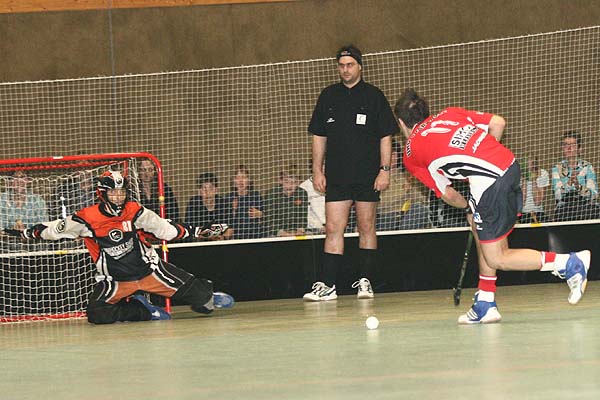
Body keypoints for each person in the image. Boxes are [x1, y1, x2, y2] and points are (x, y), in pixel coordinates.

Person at [394, 88, 591, 324]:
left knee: (499, 258)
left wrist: (468, 205)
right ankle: (485, 303)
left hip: (489, 183)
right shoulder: (450, 113)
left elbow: (448, 194)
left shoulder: (411, 153)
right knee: (481, 231)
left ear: (401, 123)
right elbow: (498, 122)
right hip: (509, 164)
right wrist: (485, 162)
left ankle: (570, 263)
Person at [5, 170, 233, 324]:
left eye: (121, 192)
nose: (118, 197)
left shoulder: (135, 210)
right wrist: (22, 233)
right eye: (113, 192)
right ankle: (143, 310)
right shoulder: (86, 218)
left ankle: (208, 293)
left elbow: (165, 229)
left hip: (150, 272)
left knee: (203, 302)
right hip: (115, 281)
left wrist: (199, 231)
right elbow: (53, 229)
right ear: (102, 193)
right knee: (97, 314)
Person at [303, 44, 400, 301]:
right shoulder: (328, 96)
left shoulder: (374, 96)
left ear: (360, 67)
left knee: (366, 226)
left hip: (368, 176)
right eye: (341, 65)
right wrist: (317, 170)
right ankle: (328, 285)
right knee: (333, 227)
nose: (345, 70)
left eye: (350, 65)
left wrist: (384, 171)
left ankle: (365, 282)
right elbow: (318, 136)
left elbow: (386, 136)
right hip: (337, 177)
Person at [376, 140, 431, 231]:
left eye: (394, 154)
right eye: (389, 154)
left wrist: (411, 190)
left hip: (406, 216)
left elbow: (422, 200)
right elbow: (380, 203)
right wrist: (403, 191)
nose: (392, 157)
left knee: (420, 209)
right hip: (385, 217)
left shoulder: (407, 175)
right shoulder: (376, 177)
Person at [551, 131, 599, 221]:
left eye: (573, 145)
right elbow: (557, 196)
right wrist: (569, 183)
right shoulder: (557, 168)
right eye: (565, 145)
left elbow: (594, 195)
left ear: (579, 149)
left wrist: (578, 186)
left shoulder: (588, 167)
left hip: (586, 209)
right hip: (565, 211)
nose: (569, 148)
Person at [264, 164, 309, 237]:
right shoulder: (271, 194)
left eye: (294, 182)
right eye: (286, 182)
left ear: (299, 182)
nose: (289, 186)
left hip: (295, 232)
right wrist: (281, 233)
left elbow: (302, 216)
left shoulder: (302, 193)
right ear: (280, 181)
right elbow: (269, 219)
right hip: (275, 233)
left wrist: (300, 229)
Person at [185, 172, 231, 240]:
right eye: (204, 189)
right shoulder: (193, 205)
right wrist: (209, 238)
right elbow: (189, 230)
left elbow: (230, 229)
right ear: (199, 191)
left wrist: (223, 237)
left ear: (216, 190)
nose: (207, 192)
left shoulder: (224, 204)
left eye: (211, 188)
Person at [224, 165, 265, 239]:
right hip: (236, 238)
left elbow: (267, 219)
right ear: (234, 181)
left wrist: (260, 214)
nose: (240, 181)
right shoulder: (228, 198)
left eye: (243, 177)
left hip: (255, 237)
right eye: (238, 177)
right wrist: (233, 210)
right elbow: (226, 223)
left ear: (249, 181)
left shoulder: (256, 196)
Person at [519, 155, 550, 223]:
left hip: (538, 212)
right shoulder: (518, 175)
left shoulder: (542, 173)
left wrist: (534, 180)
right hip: (522, 214)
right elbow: (521, 202)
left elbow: (537, 202)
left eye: (532, 162)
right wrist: (524, 180)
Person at [299, 160, 326, 234]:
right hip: (313, 230)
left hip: (333, 226)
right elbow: (304, 212)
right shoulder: (304, 187)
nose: (324, 167)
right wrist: (319, 226)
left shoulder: (335, 185)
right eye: (322, 164)